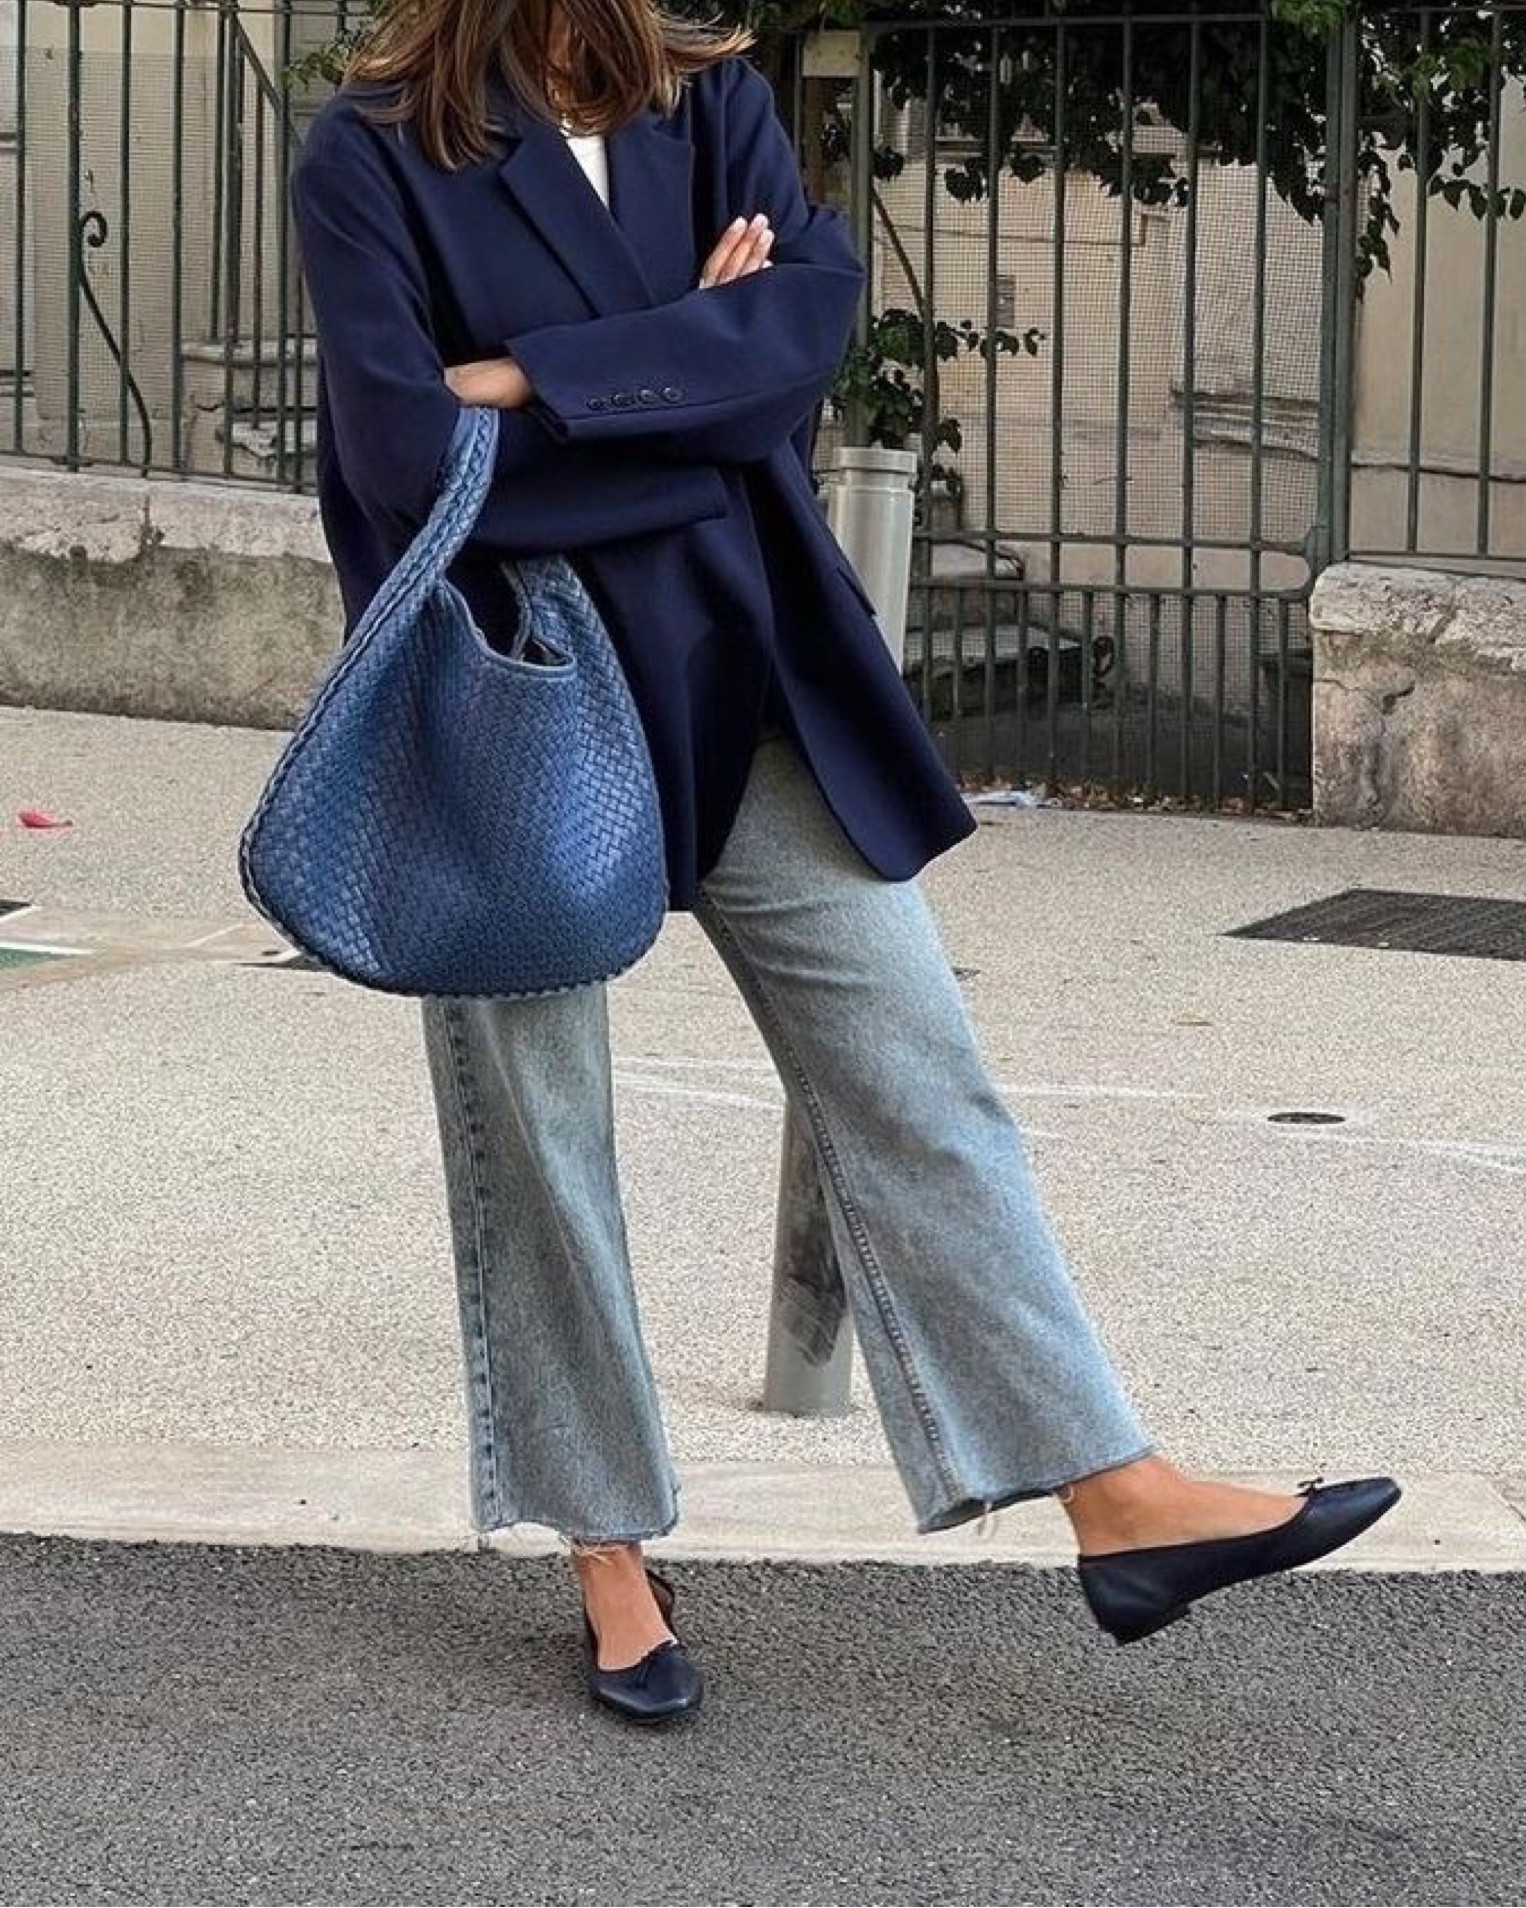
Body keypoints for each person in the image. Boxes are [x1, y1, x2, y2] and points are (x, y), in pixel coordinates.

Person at [288, 0, 1399, 1726]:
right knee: (540, 1138)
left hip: (751, 675)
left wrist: (530, 378)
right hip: (521, 688)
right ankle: (608, 1554)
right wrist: (685, 374)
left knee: (916, 1073)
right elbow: (408, 460)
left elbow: (799, 343)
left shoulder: (711, 105)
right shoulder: (369, 153)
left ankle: (1112, 1495)